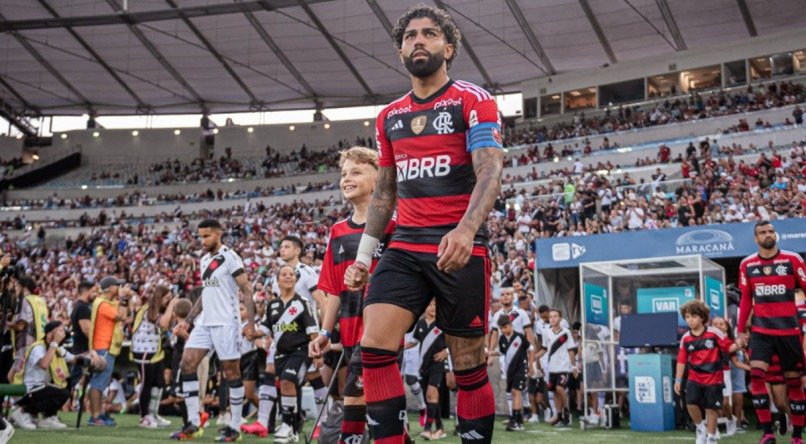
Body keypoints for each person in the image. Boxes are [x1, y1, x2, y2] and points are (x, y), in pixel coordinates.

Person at [344, 4, 504, 443]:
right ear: (400, 52)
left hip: (459, 246)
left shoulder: (473, 100)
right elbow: (384, 192)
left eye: (429, 34)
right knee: (374, 349)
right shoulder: (389, 116)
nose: (418, 41)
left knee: (468, 365)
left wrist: (467, 229)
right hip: (406, 247)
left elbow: (490, 170)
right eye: (410, 36)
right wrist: (364, 256)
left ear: (448, 47)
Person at [307, 146, 395, 444]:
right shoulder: (338, 231)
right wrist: (324, 331)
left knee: (355, 393)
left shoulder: (395, 226)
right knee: (378, 399)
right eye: (344, 173)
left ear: (378, 179)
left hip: (383, 328)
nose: (347, 178)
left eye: (356, 172)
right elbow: (332, 290)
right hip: (348, 328)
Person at [171, 219, 257, 442]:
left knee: (231, 373)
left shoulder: (230, 256)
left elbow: (246, 289)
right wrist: (188, 321)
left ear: (218, 235)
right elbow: (204, 294)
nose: (203, 240)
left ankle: (235, 426)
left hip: (227, 322)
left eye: (206, 236)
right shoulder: (204, 260)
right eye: (200, 236)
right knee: (187, 363)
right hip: (205, 323)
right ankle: (192, 422)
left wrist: (251, 324)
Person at [736, 220, 806, 444]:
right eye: (763, 232)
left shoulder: (793, 259)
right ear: (756, 239)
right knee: (756, 377)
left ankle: (796, 436)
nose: (768, 235)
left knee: (794, 383)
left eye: (771, 231)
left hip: (789, 331)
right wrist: (740, 331)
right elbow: (746, 299)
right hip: (761, 331)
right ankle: (767, 432)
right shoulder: (747, 264)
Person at [261, 265, 319, 443]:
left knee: (287, 381)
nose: (288, 277)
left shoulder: (302, 303)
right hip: (280, 354)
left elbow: (312, 331)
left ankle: (286, 425)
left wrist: (318, 354)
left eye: (291, 274)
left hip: (300, 352)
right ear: (277, 280)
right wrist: (249, 331)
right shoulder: (271, 305)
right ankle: (292, 430)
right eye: (284, 274)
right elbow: (264, 329)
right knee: (284, 387)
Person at [674, 300, 739, 444]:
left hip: (714, 378)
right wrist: (678, 380)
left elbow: (729, 347)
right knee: (690, 404)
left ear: (702, 317)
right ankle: (700, 429)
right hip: (694, 378)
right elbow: (681, 361)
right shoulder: (685, 338)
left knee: (711, 409)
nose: (689, 320)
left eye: (693, 316)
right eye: (687, 317)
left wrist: (739, 344)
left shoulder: (714, 333)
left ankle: (711, 438)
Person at [10, 320, 81, 430]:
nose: (63, 334)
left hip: (40, 389)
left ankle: (47, 418)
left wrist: (91, 356)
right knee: (61, 393)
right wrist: (54, 343)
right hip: (27, 390)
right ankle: (23, 412)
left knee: (67, 386)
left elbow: (74, 359)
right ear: (49, 335)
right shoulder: (38, 347)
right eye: (60, 331)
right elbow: (44, 364)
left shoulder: (56, 348)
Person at [88, 275, 132, 427]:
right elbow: (121, 316)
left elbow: (127, 315)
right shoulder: (102, 304)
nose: (119, 287)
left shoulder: (108, 302)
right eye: (116, 285)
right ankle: (94, 416)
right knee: (98, 383)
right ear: (109, 288)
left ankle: (99, 413)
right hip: (102, 347)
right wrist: (123, 298)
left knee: (102, 384)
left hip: (107, 347)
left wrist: (125, 299)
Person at [131, 285, 178, 428]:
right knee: (146, 383)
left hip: (155, 351)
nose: (169, 301)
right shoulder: (148, 309)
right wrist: (171, 306)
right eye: (167, 298)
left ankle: (153, 414)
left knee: (159, 383)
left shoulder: (159, 310)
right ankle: (144, 417)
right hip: (144, 351)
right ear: (160, 297)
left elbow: (166, 326)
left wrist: (173, 312)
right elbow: (162, 322)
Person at [487, 287, 535, 419]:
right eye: (503, 294)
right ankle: (514, 415)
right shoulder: (497, 315)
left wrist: (532, 353)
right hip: (504, 355)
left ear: (513, 297)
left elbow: (529, 333)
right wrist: (490, 354)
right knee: (508, 385)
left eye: (508, 294)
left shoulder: (521, 313)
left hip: (520, 354)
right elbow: (494, 336)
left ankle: (525, 409)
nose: (505, 296)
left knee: (519, 386)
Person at [406, 301, 449, 440]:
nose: (433, 308)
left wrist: (446, 352)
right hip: (423, 366)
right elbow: (414, 341)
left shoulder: (443, 323)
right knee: (430, 397)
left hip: (438, 364)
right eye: (430, 305)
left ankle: (427, 428)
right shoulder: (420, 324)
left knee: (432, 393)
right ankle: (440, 428)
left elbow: (454, 340)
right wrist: (398, 347)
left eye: (436, 305)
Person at [536, 309, 576, 428]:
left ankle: (567, 412)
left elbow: (571, 350)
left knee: (560, 388)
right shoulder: (546, 332)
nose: (553, 319)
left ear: (560, 318)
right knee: (554, 392)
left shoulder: (566, 332)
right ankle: (559, 416)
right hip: (551, 367)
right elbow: (544, 349)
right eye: (551, 317)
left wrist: (573, 366)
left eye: (555, 316)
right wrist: (534, 357)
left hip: (564, 366)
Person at [497, 315, 531, 432]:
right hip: (509, 371)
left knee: (516, 392)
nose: (503, 330)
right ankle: (518, 420)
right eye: (501, 328)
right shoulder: (501, 339)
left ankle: (516, 420)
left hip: (521, 368)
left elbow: (531, 349)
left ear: (511, 325)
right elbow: (503, 354)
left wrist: (530, 365)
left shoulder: (520, 337)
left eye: (505, 327)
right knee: (513, 392)